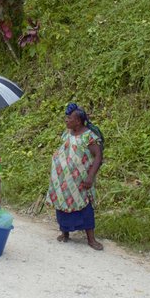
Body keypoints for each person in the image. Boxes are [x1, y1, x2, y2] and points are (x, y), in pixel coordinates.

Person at [47, 103, 104, 250]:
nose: (66, 120)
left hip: (80, 181)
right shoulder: (68, 133)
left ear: (78, 121)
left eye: (69, 118)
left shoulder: (88, 137)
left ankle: (91, 239)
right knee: (62, 205)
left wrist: (91, 176)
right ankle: (65, 233)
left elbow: (98, 156)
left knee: (85, 207)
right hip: (62, 180)